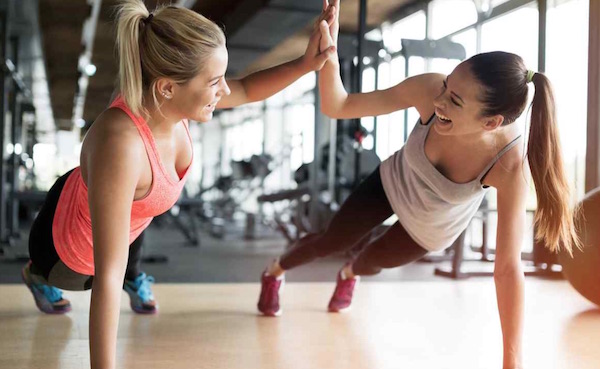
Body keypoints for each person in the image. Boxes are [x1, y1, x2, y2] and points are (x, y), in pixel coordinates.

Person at [257, 1, 581, 368]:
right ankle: (274, 271)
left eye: (454, 101)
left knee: (369, 263)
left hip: (431, 227)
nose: (439, 100)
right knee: (332, 241)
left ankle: (349, 274)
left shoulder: (508, 164)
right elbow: (339, 104)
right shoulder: (429, 91)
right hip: (392, 182)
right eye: (446, 86)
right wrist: (327, 53)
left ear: (491, 123)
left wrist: (512, 359)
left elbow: (508, 268)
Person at [22, 0, 337, 368]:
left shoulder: (172, 102)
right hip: (65, 251)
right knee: (97, 271)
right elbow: (108, 278)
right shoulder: (122, 145)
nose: (223, 90)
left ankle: (121, 255)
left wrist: (306, 63)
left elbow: (247, 89)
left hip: (119, 201)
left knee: (130, 231)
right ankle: (35, 275)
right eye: (214, 81)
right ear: (168, 88)